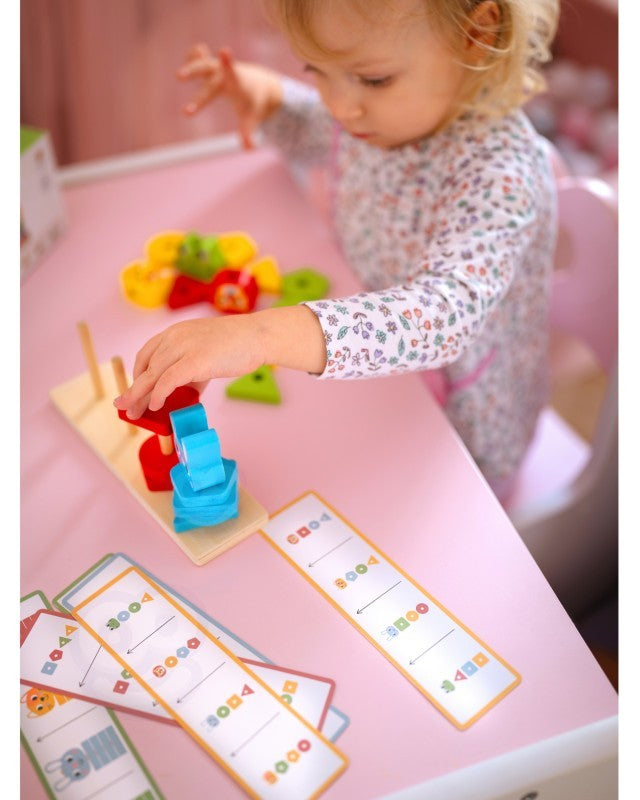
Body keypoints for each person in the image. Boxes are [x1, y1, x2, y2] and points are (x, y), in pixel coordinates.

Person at [114, 0, 560, 499]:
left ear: (474, 37)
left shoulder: (501, 174)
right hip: (370, 378)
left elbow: (443, 316)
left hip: (463, 438)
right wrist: (269, 99)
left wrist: (261, 334)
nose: (341, 106)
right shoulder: (385, 113)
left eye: (372, 80)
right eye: (316, 71)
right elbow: (321, 133)